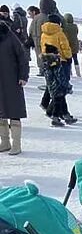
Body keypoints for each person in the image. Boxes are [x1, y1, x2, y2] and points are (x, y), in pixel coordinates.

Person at [0, 20, 29, 154]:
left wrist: (23, 76)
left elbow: (22, 57)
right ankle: (5, 142)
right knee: (1, 113)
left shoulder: (11, 38)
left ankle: (16, 144)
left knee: (14, 111)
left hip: (12, 81)